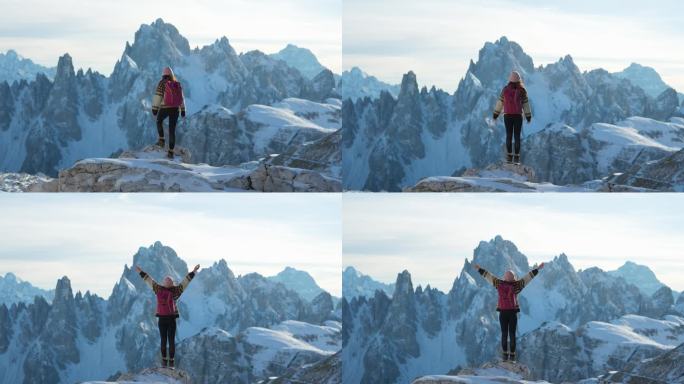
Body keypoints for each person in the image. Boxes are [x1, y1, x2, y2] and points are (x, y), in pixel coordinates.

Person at [472, 262, 544, 362]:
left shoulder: (499, 283)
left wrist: (479, 269)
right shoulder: (517, 285)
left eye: (507, 275)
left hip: (502, 313)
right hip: (512, 313)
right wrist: (537, 269)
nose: (507, 276)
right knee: (512, 334)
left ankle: (505, 356)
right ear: (513, 277)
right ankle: (512, 357)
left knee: (504, 334)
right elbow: (528, 278)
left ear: (505, 277)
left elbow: (489, 277)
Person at [135, 264, 200, 369]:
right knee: (171, 340)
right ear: (172, 283)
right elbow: (185, 282)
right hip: (171, 319)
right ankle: (172, 364)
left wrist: (140, 272)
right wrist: (193, 272)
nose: (167, 282)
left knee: (163, 340)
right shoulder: (176, 291)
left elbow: (149, 280)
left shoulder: (158, 289)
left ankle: (164, 363)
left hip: (161, 318)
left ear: (164, 283)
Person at [492, 70, 532, 164]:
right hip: (518, 116)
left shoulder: (505, 89)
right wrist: (528, 116)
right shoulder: (522, 90)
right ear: (519, 80)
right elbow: (526, 104)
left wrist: (496, 114)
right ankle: (517, 158)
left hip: (507, 116)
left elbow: (500, 103)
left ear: (510, 79)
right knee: (517, 136)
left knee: (509, 136)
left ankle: (509, 157)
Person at [151, 66, 186, 159]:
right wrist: (183, 109)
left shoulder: (162, 83)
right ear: (171, 74)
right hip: (175, 109)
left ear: (163, 75)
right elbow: (181, 98)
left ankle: (161, 140)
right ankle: (171, 152)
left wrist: (154, 108)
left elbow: (158, 96)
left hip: (165, 108)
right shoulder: (176, 83)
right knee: (172, 130)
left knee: (159, 121)